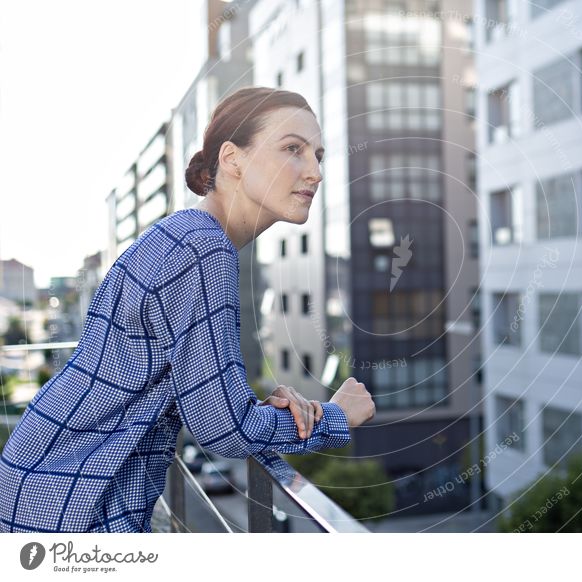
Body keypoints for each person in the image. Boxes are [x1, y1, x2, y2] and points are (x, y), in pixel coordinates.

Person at [0, 86, 375, 533]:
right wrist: (337, 415)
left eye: (319, 154)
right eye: (292, 149)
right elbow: (224, 428)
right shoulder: (204, 249)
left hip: (46, 485)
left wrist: (255, 403)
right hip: (71, 506)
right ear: (232, 160)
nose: (314, 171)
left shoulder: (182, 234)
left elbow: (186, 388)